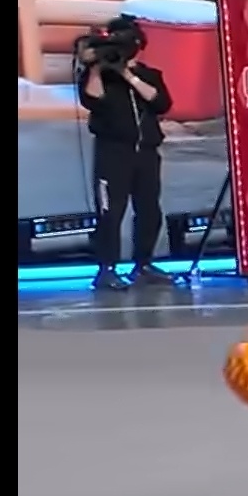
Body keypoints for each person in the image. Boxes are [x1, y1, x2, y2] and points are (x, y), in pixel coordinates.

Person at [77, 15, 176, 291]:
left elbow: (161, 102)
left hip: (146, 152)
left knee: (149, 210)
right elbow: (92, 100)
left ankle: (143, 264)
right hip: (113, 152)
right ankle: (106, 269)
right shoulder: (100, 77)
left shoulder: (149, 75)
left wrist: (127, 74)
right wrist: (97, 68)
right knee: (111, 211)